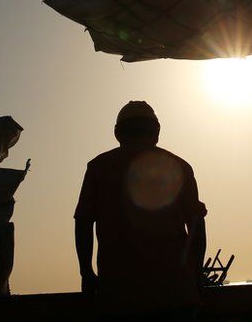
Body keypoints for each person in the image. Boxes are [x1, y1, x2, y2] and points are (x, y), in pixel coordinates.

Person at [74, 101, 207, 321]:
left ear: (117, 133)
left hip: (119, 297)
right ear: (156, 132)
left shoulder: (98, 168)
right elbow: (197, 226)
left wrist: (86, 273)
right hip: (176, 295)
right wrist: (197, 273)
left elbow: (83, 223)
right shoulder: (180, 167)